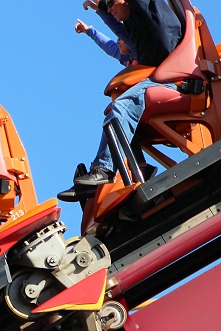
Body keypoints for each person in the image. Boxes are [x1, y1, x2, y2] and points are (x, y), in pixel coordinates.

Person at [58, 0, 183, 201]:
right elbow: (117, 35)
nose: (110, 10)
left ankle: (105, 169)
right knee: (116, 110)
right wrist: (101, 11)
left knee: (123, 105)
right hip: (156, 79)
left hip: (172, 79)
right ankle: (133, 169)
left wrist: (101, 10)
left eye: (110, 4)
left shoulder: (152, 16)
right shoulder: (140, 40)